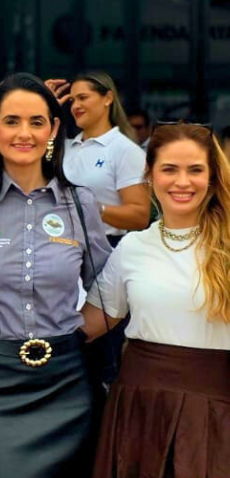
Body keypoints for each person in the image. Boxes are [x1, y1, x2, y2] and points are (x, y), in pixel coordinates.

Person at [0, 73, 112, 478]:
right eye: (11, 121)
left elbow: (109, 288)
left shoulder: (80, 204)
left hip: (68, 383)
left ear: (53, 130)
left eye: (36, 122)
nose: (24, 133)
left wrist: (73, 334)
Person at [83, 123, 230, 478]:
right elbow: (89, 325)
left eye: (195, 170)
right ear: (149, 174)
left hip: (216, 410)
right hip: (138, 407)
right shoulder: (132, 247)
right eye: (169, 169)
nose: (182, 182)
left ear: (212, 176)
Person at [45, 72, 150, 245]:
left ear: (108, 98)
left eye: (83, 98)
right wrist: (44, 107)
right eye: (72, 100)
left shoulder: (125, 150)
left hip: (103, 250)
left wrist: (93, 208)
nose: (75, 106)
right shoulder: (64, 147)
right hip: (59, 248)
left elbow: (139, 216)